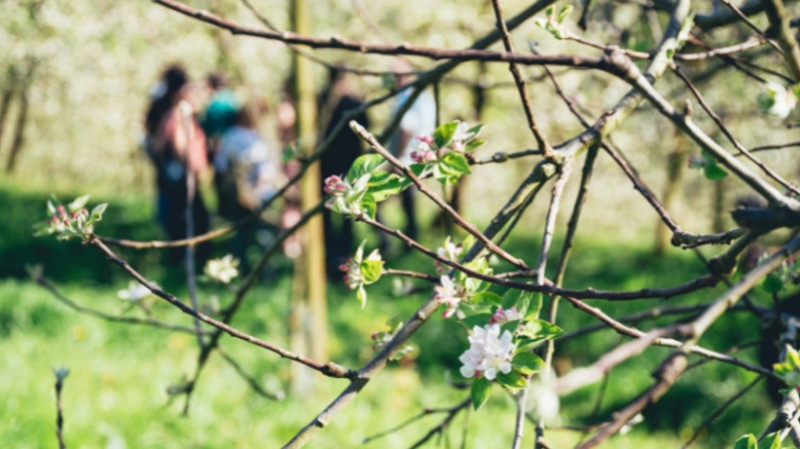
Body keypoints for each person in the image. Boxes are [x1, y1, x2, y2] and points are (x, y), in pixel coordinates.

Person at [144, 65, 211, 263]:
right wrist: (195, 166)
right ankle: (187, 260)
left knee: (182, 220)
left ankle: (183, 259)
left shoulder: (164, 111)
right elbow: (179, 146)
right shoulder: (175, 115)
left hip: (173, 178)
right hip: (181, 180)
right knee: (190, 220)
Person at [214, 105, 283, 271]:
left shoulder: (236, 137)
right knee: (251, 234)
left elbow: (221, 165)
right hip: (247, 194)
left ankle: (252, 270)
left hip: (257, 193)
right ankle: (252, 270)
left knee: (252, 233)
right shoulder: (243, 137)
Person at [318, 68, 370, 275]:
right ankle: (343, 257)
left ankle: (334, 257)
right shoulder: (353, 102)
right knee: (345, 212)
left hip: (330, 166)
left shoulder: (320, 101)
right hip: (345, 166)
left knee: (333, 214)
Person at [388, 59, 437, 242]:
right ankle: (410, 239)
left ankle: (402, 240)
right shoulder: (422, 96)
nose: (395, 79)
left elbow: (406, 129)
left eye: (398, 75)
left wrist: (397, 158)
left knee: (388, 199)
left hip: (407, 158)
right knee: (408, 203)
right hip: (417, 157)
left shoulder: (409, 97)